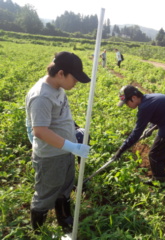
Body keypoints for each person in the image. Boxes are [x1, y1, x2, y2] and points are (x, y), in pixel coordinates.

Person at [25, 51, 91, 234]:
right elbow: (40, 130)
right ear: (61, 73)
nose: (76, 82)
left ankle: (64, 219)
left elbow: (61, 117)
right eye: (75, 78)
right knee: (46, 193)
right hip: (51, 156)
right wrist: (72, 146)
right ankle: (39, 231)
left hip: (64, 151)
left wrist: (73, 140)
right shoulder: (41, 96)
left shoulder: (58, 89)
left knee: (65, 187)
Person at [112, 85, 165, 198]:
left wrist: (121, 149)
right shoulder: (149, 98)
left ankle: (162, 191)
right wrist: (150, 127)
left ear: (133, 98)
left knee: (155, 157)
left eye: (127, 102)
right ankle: (156, 180)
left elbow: (136, 133)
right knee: (156, 155)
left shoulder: (145, 107)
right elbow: (160, 113)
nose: (127, 106)